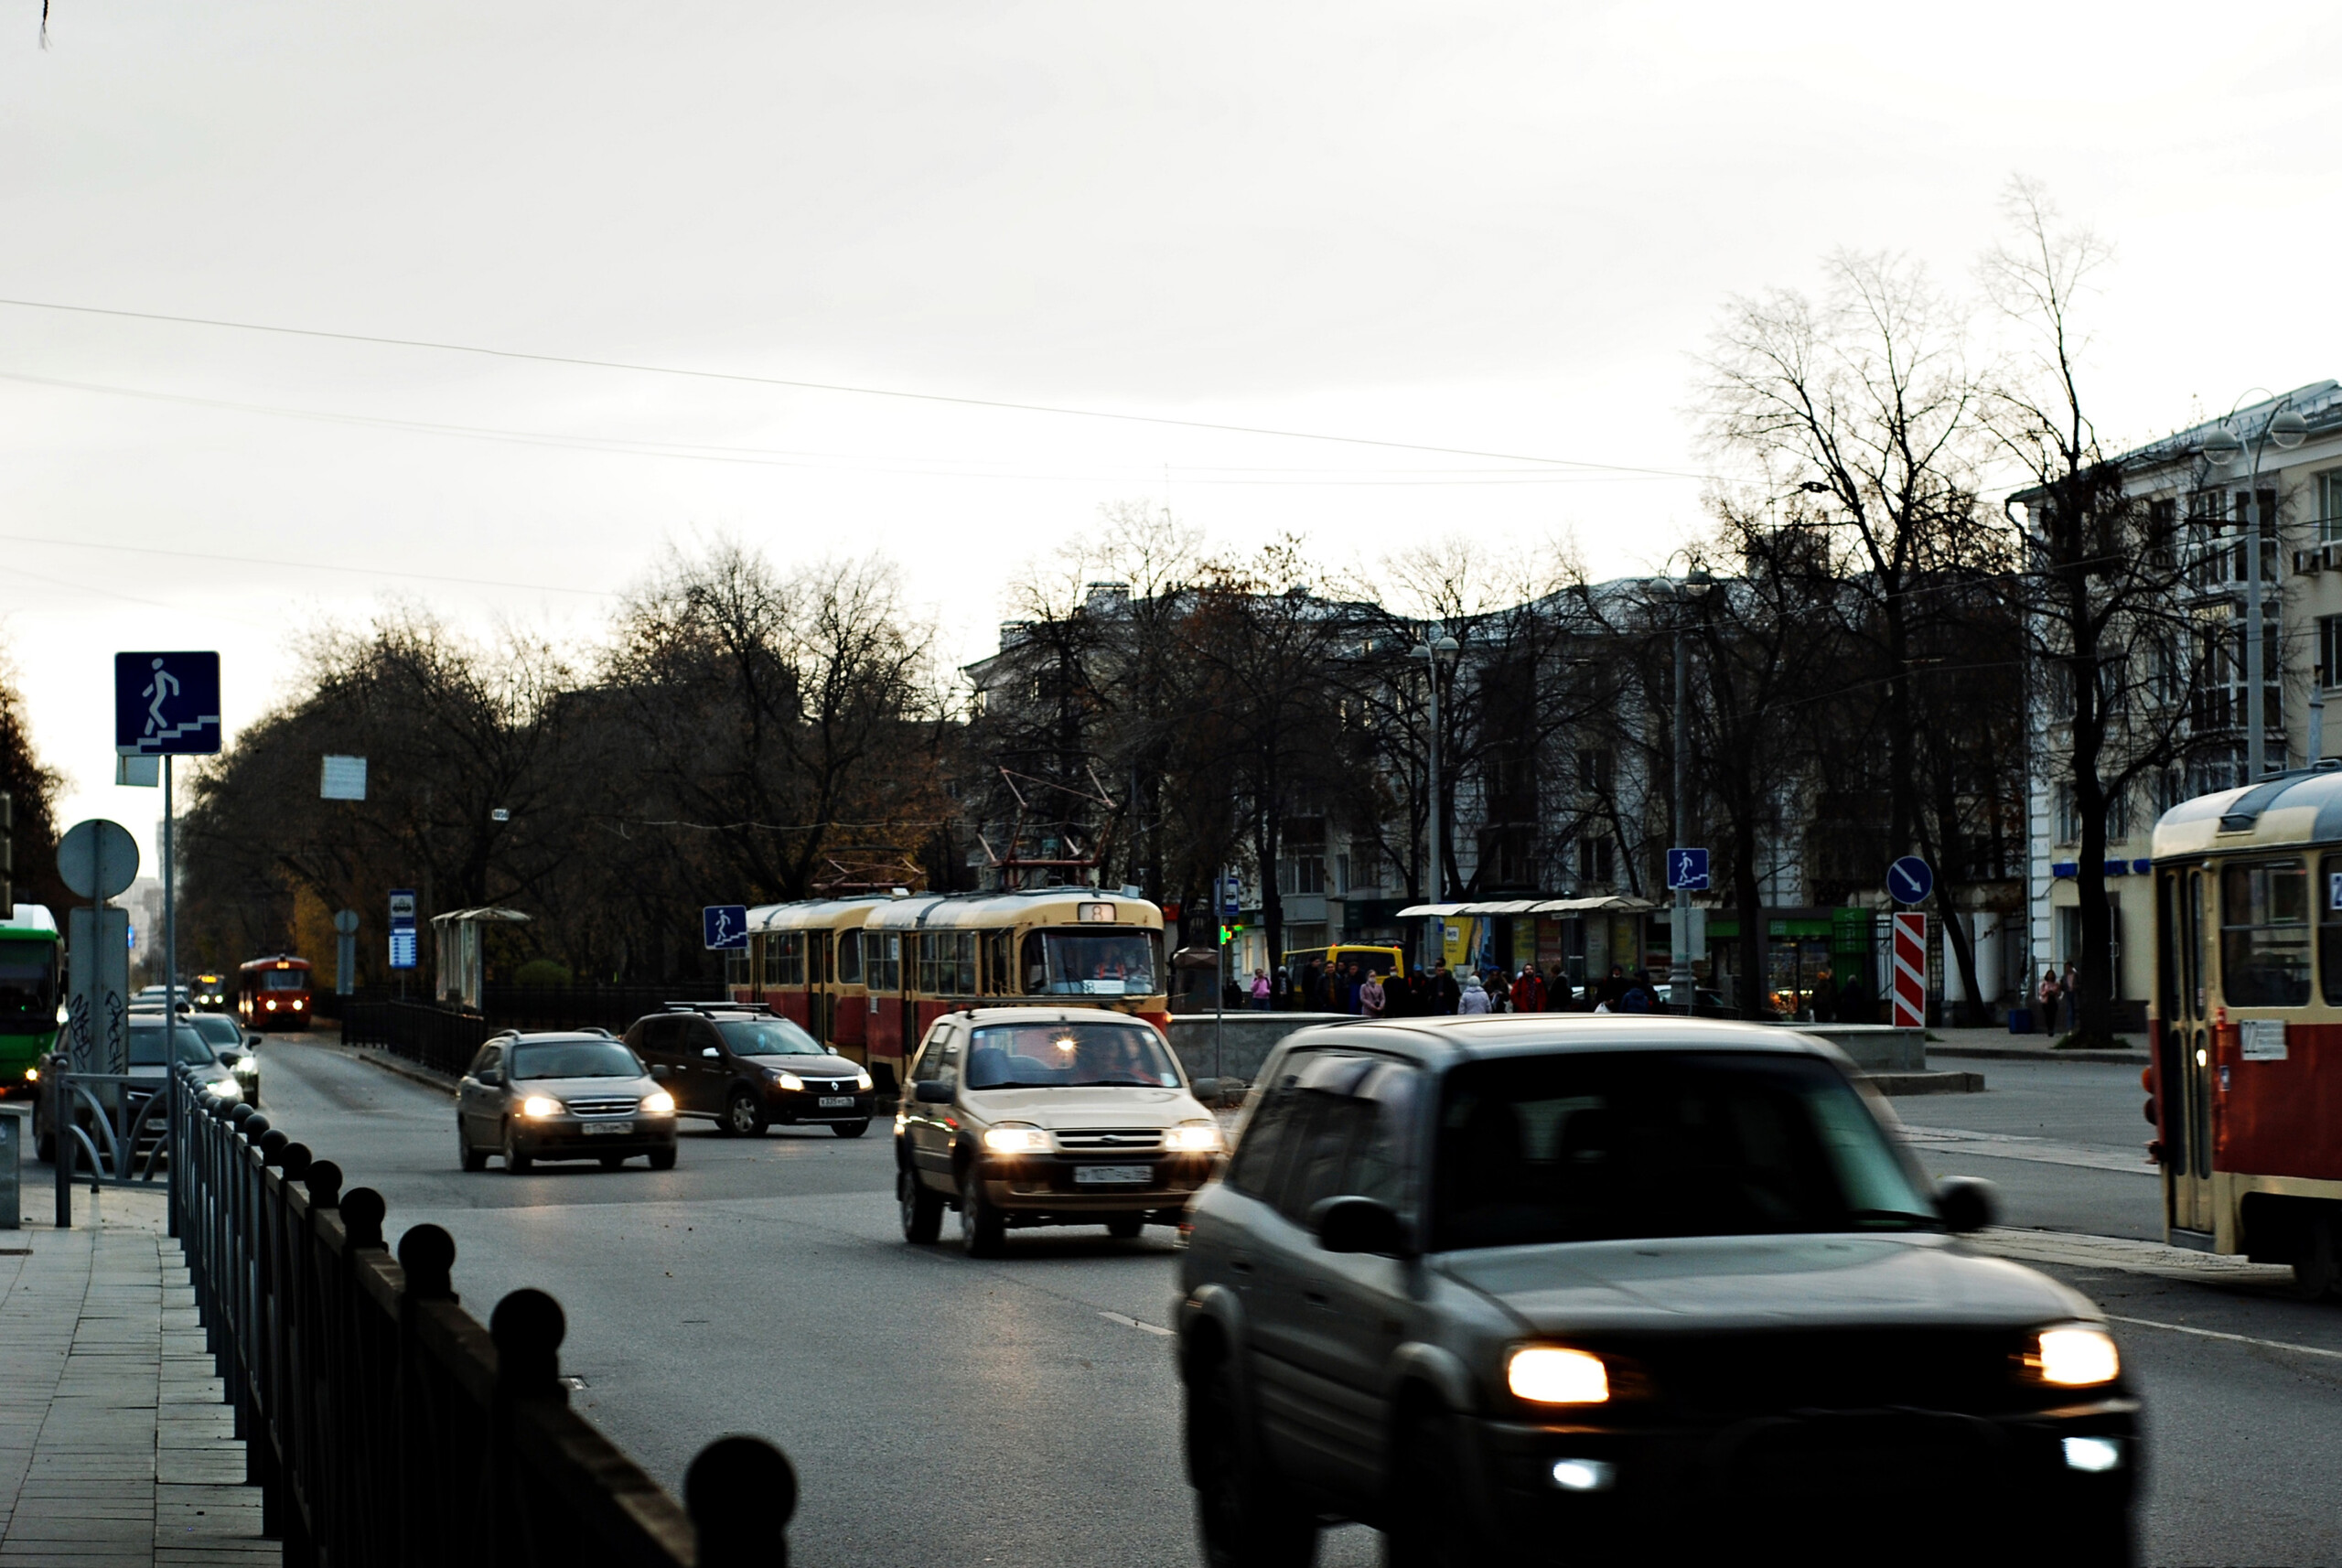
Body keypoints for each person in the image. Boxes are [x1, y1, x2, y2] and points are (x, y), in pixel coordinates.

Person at [2037, 968, 2061, 1037]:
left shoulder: (2056, 984)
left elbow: (2059, 993)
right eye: (2049, 975)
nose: (2050, 976)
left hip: (2053, 1000)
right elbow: (2041, 992)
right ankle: (2049, 1029)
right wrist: (2046, 992)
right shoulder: (2044, 984)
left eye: (2051, 975)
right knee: (2047, 1016)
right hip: (2046, 1001)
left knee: (2053, 1016)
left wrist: (2055, 992)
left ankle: (2052, 1029)